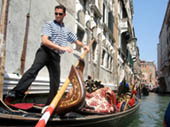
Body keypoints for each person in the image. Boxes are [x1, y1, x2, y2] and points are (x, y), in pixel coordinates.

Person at [6, 5, 89, 105]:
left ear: (64, 15)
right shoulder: (49, 24)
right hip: (45, 52)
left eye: (60, 14)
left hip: (56, 57)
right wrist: (62, 48)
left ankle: (50, 105)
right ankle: (15, 94)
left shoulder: (67, 30)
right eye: (56, 13)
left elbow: (76, 41)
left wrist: (84, 45)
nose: (58, 16)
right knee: (33, 70)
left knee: (55, 82)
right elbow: (45, 41)